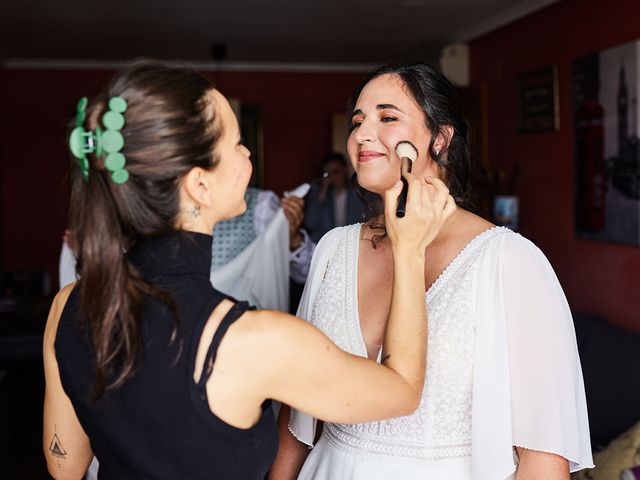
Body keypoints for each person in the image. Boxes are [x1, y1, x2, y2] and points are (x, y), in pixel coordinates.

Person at [42, 61, 456, 479]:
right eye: (236, 143)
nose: (247, 154)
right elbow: (401, 390)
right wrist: (408, 250)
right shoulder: (255, 340)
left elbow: (65, 466)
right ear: (200, 185)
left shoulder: (69, 307)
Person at [271, 63, 594, 480]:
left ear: (439, 139)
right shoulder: (333, 248)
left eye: (387, 118)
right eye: (357, 121)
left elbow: (543, 460)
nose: (362, 135)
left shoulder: (509, 262)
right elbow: (298, 410)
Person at [303, 153, 364, 243]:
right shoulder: (319, 192)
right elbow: (310, 223)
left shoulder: (359, 192)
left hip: (352, 242)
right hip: (326, 244)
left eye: (335, 172)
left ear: (345, 170)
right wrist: (322, 193)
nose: (332, 177)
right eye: (327, 173)